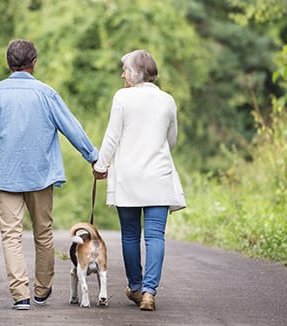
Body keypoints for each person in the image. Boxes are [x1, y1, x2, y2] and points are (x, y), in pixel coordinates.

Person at [0, 39, 99, 310]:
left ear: (9, 63)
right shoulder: (46, 94)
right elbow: (71, 127)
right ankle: (42, 290)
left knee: (11, 235)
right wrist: (93, 156)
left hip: (5, 173)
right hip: (40, 174)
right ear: (34, 62)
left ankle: (20, 294)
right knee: (43, 233)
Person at [92, 49, 186, 311]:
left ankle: (135, 286)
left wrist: (101, 166)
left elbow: (112, 136)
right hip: (158, 176)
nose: (122, 74)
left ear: (134, 73)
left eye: (124, 69)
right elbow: (172, 140)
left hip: (129, 178)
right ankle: (149, 292)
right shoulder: (167, 100)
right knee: (155, 236)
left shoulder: (122, 97)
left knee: (131, 235)